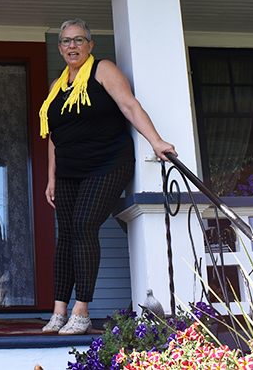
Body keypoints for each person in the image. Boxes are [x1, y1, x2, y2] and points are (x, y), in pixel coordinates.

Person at [40, 18, 176, 335]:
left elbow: (129, 106)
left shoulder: (103, 70)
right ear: (59, 48)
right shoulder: (56, 87)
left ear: (89, 45)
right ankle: (59, 311)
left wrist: (156, 141)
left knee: (84, 225)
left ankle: (82, 311)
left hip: (108, 163)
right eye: (65, 41)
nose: (71, 46)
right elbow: (54, 135)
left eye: (78, 40)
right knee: (66, 238)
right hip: (70, 170)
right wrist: (51, 177)